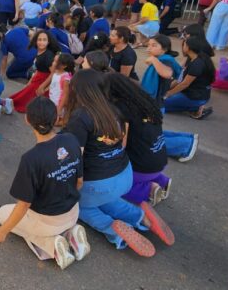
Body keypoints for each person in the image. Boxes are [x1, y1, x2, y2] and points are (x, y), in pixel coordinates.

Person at [63, 70, 174, 257]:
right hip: (124, 175)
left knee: (79, 205)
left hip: (99, 181)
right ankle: (141, 218)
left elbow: (76, 158)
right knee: (105, 199)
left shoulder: (81, 116)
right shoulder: (114, 109)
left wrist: (71, 185)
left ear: (78, 90)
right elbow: (122, 143)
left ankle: (113, 230)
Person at [0, 96, 88, 269]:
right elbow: (79, 182)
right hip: (73, 211)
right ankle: (71, 234)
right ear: (56, 119)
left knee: (3, 214)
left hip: (48, 221)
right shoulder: (72, 139)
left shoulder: (31, 159)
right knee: (21, 215)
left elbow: (23, 205)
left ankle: (52, 246)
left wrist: (3, 231)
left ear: (27, 120)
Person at [106, 73, 171, 206]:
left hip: (141, 168)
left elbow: (121, 145)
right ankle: (161, 181)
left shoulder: (121, 110)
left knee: (109, 187)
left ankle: (148, 190)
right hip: (159, 161)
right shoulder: (145, 102)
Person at [163, 36, 215, 119]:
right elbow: (179, 79)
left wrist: (168, 93)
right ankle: (193, 108)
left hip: (195, 97)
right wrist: (166, 89)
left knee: (159, 104)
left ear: (188, 47)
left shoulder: (197, 63)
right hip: (196, 95)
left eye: (184, 45)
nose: (182, 47)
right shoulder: (193, 59)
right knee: (160, 99)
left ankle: (195, 108)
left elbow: (184, 84)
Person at [9, 30, 61, 113]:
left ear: (48, 42)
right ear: (35, 41)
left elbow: (53, 73)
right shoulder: (40, 51)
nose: (41, 42)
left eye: (44, 40)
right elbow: (38, 69)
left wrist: (43, 86)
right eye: (39, 40)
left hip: (44, 80)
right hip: (38, 77)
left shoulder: (48, 55)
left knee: (24, 101)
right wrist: (30, 82)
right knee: (20, 97)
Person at [41, 53, 75, 124]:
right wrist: (46, 88)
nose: (53, 63)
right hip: (53, 98)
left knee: (55, 121)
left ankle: (62, 121)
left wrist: (59, 109)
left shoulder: (65, 78)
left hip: (58, 102)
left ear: (64, 66)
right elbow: (54, 84)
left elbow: (65, 95)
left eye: (56, 62)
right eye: (54, 60)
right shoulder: (56, 72)